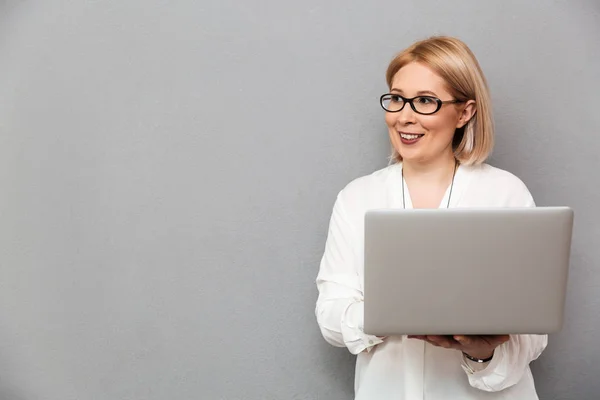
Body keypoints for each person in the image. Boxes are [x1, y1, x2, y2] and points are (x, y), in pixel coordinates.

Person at [314, 36, 547, 399]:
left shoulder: (505, 193)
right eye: (396, 98)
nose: (404, 116)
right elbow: (330, 317)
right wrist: (393, 310)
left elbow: (532, 334)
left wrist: (479, 350)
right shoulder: (357, 197)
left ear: (465, 112)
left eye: (425, 101)